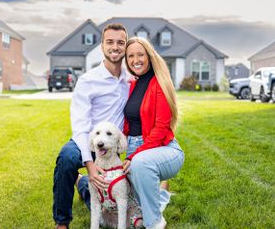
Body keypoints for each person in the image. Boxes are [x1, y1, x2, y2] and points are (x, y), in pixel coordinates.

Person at [53, 23, 129, 228]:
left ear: (125, 46)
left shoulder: (128, 80)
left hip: (111, 143)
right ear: (102, 46)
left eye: (120, 42)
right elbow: (80, 126)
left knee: (103, 191)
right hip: (86, 138)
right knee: (67, 158)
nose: (115, 47)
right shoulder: (88, 80)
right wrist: (90, 163)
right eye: (110, 42)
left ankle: (82, 183)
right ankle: (62, 222)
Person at [123, 37, 185, 229]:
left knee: (141, 164)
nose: (136, 60)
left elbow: (159, 130)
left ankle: (156, 224)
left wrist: (133, 156)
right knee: (138, 208)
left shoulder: (159, 82)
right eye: (130, 56)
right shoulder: (133, 84)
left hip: (163, 150)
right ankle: (162, 193)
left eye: (140, 54)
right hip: (135, 149)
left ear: (149, 56)